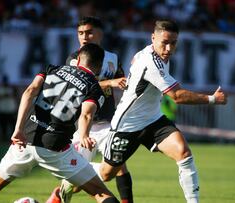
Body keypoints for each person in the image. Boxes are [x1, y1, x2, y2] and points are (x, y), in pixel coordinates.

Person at [0, 43, 120, 203]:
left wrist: (18, 129)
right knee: (100, 192)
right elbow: (86, 114)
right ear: (99, 67)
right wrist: (84, 135)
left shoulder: (52, 69)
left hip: (25, 139)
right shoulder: (94, 88)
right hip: (56, 148)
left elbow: (30, 91)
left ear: (78, 60)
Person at [94, 20, 227, 203]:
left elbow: (136, 61)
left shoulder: (150, 54)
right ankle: (77, 172)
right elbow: (177, 96)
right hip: (127, 125)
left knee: (184, 153)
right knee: (106, 173)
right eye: (164, 42)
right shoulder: (151, 62)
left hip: (152, 120)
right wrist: (212, 99)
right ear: (153, 37)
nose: (168, 48)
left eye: (173, 43)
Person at [46, 16, 133, 203]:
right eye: (80, 33)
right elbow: (82, 85)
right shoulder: (74, 59)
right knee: (75, 180)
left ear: (100, 34)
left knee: (119, 165)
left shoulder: (112, 58)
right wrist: (110, 82)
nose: (84, 36)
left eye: (89, 32)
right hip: (83, 124)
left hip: (107, 122)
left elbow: (120, 83)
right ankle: (58, 195)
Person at [0, 75, 18, 141]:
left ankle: (13, 139)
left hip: (11, 110)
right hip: (2, 110)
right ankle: (3, 139)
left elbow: (17, 95)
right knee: (3, 126)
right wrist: (3, 96)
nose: (5, 83)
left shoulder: (12, 88)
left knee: (12, 126)